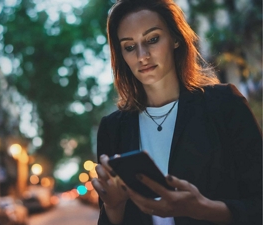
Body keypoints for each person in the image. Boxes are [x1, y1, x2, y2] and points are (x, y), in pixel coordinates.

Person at [91, 0, 262, 224]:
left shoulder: (225, 105)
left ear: (175, 38)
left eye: (152, 39)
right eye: (129, 47)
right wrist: (114, 207)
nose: (142, 55)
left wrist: (204, 209)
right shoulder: (113, 129)